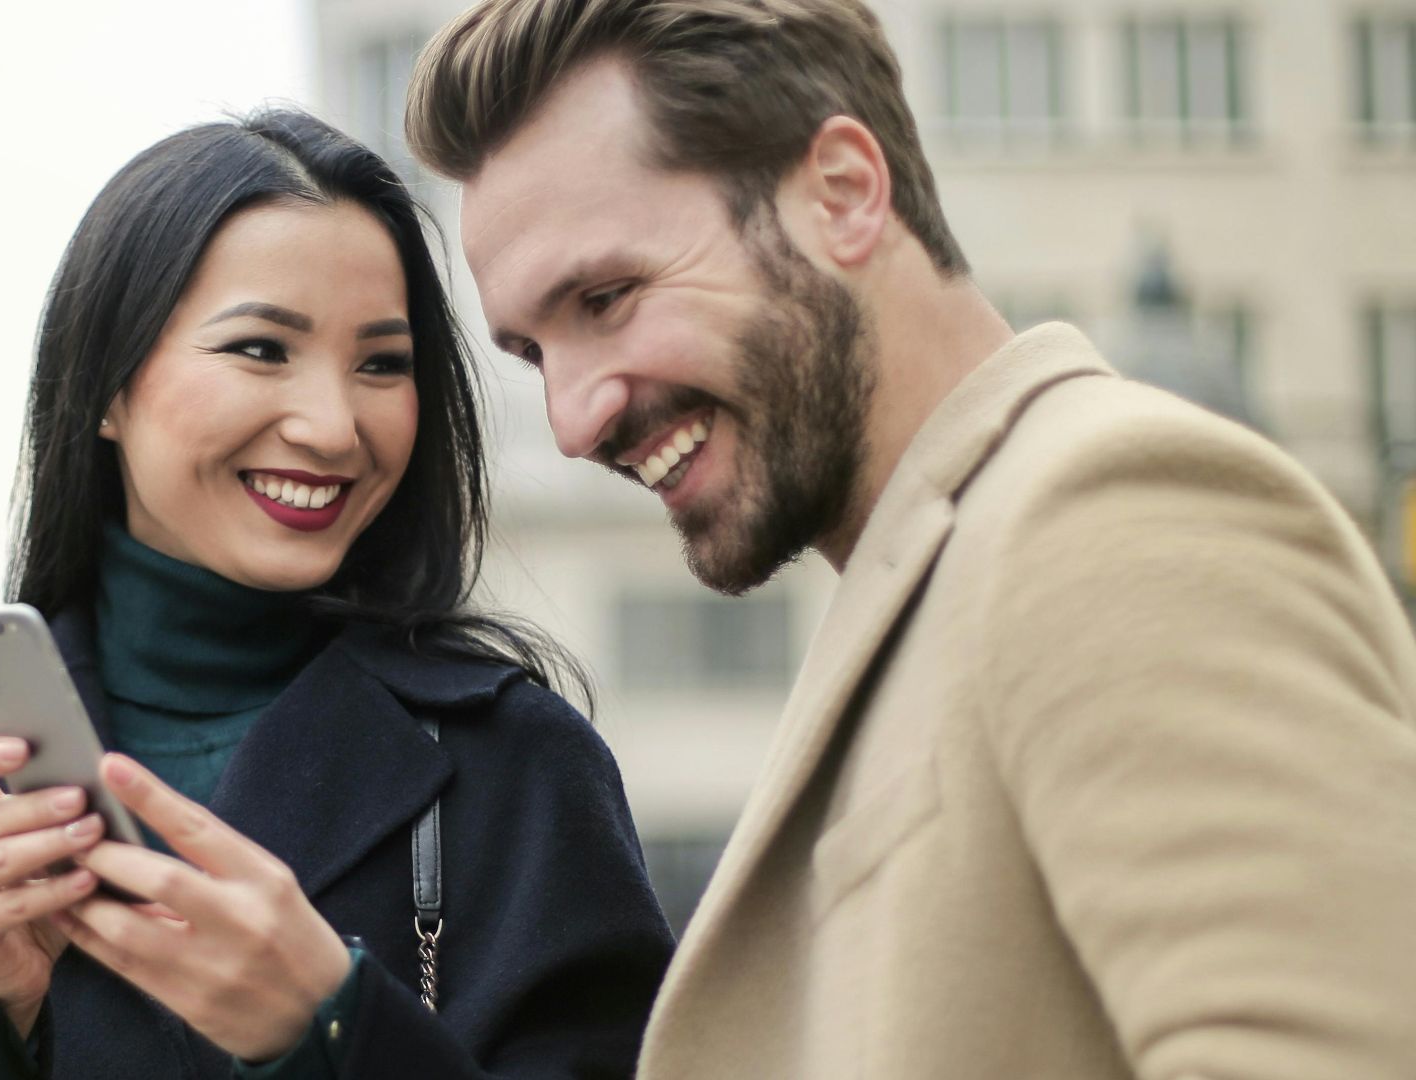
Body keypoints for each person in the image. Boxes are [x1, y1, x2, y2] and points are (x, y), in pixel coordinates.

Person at [405, 1, 1416, 1077]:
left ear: (842, 192)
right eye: (532, 354)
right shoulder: (931, 574)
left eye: (606, 297)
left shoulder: (1113, 510)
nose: (573, 420)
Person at [0, 109, 674, 1080]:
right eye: (262, 349)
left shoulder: (518, 775)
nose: (332, 424)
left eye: (382, 364)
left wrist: (337, 1026)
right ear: (109, 389)